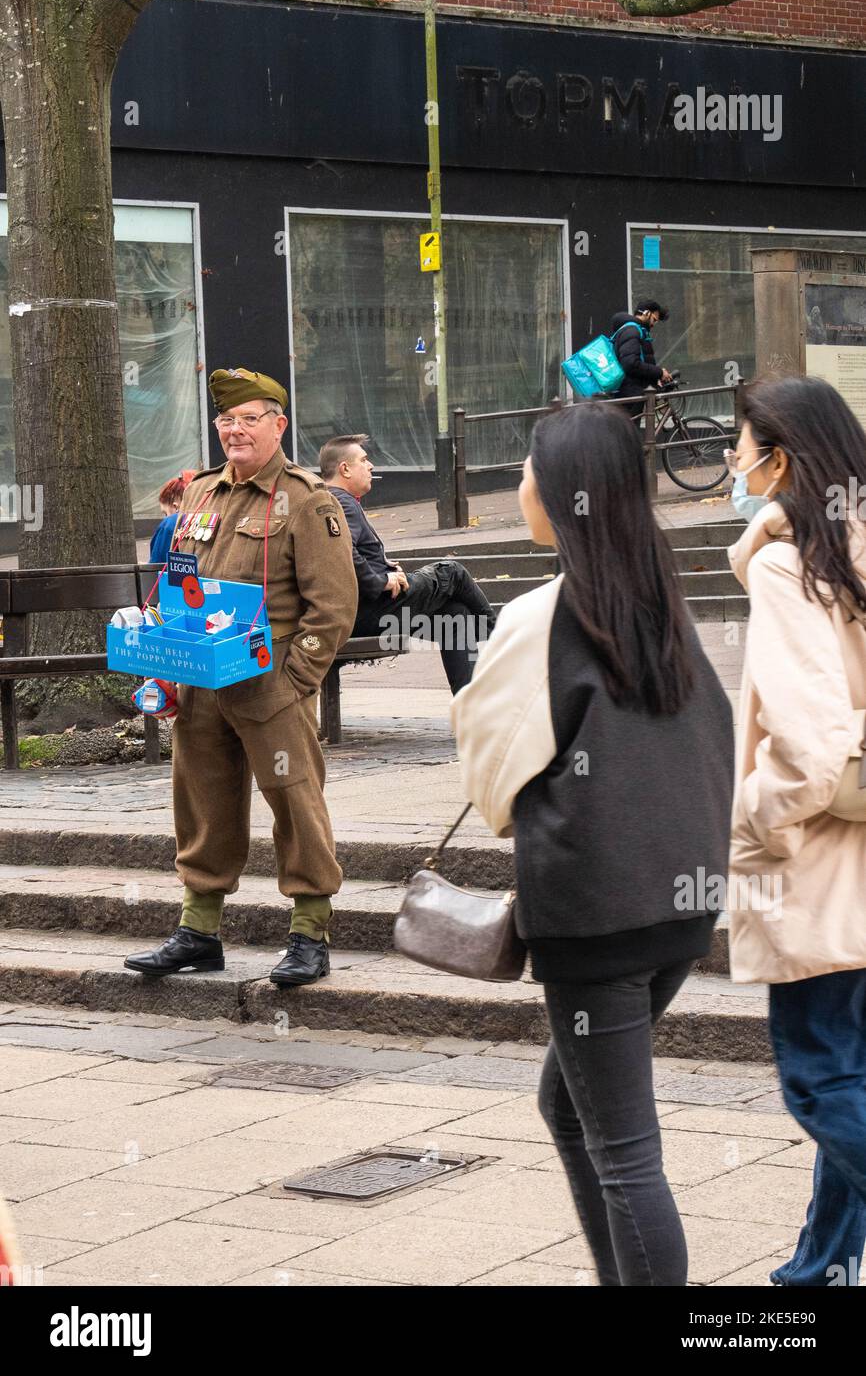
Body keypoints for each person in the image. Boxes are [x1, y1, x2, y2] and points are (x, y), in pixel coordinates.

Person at [451, 400, 734, 1286]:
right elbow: (714, 735)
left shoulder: (543, 616)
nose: (523, 486)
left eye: (530, 470)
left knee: (625, 1153)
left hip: (595, 914)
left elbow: (489, 774)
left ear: (567, 489)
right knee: (569, 1109)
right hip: (676, 908)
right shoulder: (659, 597)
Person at [125, 367, 358, 987]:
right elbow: (179, 585)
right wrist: (163, 664)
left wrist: (296, 679)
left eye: (248, 419)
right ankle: (199, 931)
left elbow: (332, 605)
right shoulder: (199, 494)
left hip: (268, 682)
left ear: (278, 426)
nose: (234, 430)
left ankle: (309, 933)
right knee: (202, 804)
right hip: (200, 684)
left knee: (294, 804)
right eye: (226, 421)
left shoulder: (308, 499)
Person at [726, 376, 866, 1287]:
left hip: (819, 864)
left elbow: (811, 747)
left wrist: (749, 820)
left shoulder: (791, 565)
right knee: (853, 1073)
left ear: (780, 455)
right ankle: (815, 1273)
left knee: (820, 1079)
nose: (731, 464)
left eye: (739, 447)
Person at [319, 434, 496, 693]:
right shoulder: (340, 502)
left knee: (456, 615)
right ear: (345, 468)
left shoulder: (331, 501)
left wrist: (382, 565)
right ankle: (501, 637)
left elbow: (344, 551)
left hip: (361, 612)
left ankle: (471, 707)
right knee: (451, 572)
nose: (371, 466)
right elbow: (343, 552)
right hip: (367, 611)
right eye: (364, 460)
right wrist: (381, 579)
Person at [610, 299, 673, 410]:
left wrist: (655, 377)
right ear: (646, 313)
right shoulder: (632, 331)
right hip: (630, 394)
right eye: (654, 319)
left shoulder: (637, 330)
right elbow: (631, 364)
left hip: (633, 392)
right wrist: (659, 372)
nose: (654, 324)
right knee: (631, 427)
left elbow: (641, 362)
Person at [149, 470, 197, 563]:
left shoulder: (170, 523)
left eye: (165, 513)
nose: (166, 517)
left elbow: (157, 566)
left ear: (176, 507)